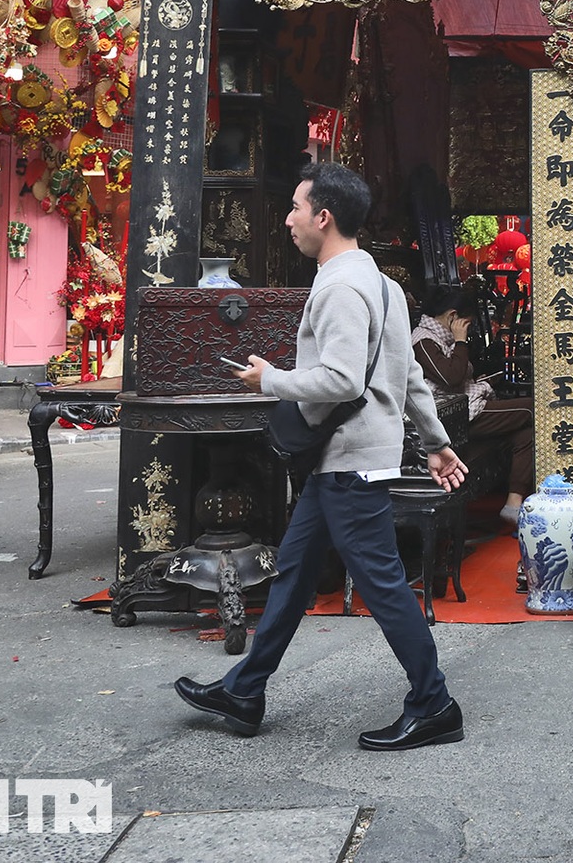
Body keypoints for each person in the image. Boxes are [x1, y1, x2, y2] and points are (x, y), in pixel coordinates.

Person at [175, 163, 470, 751]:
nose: (288, 220)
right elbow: (409, 376)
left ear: (324, 216)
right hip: (352, 456)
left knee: (383, 585)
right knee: (293, 577)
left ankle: (434, 703)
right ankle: (245, 689)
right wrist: (435, 442)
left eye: (295, 208)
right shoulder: (384, 285)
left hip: (349, 457)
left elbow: (338, 379)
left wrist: (271, 380)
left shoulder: (338, 287)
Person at [413, 284, 534, 526]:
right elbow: (451, 377)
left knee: (527, 434)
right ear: (452, 317)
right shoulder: (423, 340)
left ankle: (513, 504)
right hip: (453, 416)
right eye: (467, 324)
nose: (468, 331)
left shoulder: (439, 339)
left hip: (465, 408)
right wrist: (460, 341)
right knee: (531, 409)